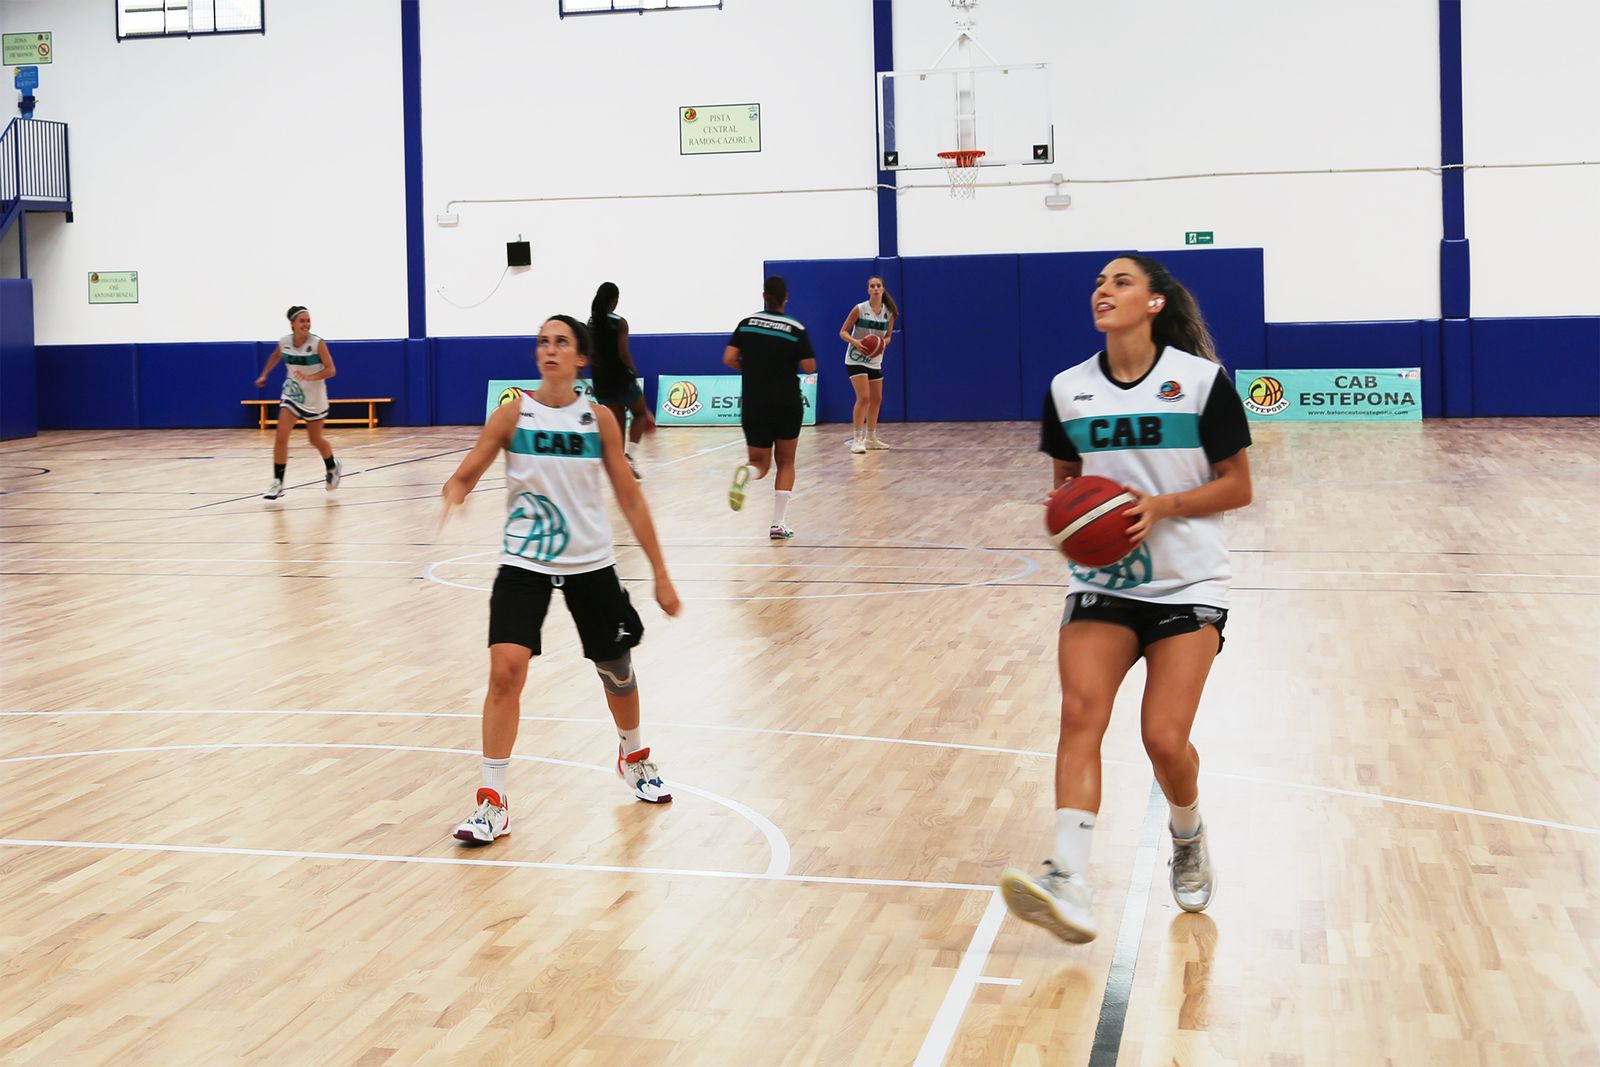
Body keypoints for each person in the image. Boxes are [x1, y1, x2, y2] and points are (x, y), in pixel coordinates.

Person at [999, 254, 1254, 943]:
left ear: (1155, 303)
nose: (1103, 291)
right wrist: (1072, 518)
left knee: (1162, 738)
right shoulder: (1068, 388)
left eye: (1121, 281)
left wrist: (1162, 504)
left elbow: (1238, 485)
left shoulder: (1201, 384)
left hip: (1187, 584)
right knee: (1080, 713)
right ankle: (1068, 878)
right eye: (1098, 283)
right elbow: (1067, 483)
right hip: (1104, 586)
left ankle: (1187, 829)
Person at [441, 314, 682, 845]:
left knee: (616, 671)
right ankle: (492, 802)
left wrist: (661, 573)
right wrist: (455, 489)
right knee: (505, 673)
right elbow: (469, 468)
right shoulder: (511, 414)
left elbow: (630, 497)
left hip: (590, 563)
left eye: (561, 342)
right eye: (543, 341)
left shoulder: (598, 421)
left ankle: (633, 755)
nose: (550, 349)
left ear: (580, 358)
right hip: (523, 563)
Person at [724, 275, 817, 540]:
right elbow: (809, 367)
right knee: (786, 462)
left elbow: (729, 357)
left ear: (764, 296)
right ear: (785, 298)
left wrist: (752, 368)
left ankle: (747, 473)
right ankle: (778, 523)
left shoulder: (747, 323)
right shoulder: (795, 328)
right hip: (787, 402)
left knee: (759, 463)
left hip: (755, 402)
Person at [253, 305, 342, 500]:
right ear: (292, 323)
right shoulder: (285, 342)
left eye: (308, 320)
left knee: (315, 440)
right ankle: (278, 482)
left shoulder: (317, 343)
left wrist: (311, 377)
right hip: (292, 395)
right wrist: (264, 375)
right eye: (302, 321)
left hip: (315, 398)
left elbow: (331, 370)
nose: (306, 324)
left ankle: (332, 466)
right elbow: (275, 356)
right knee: (281, 436)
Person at [588, 282, 655, 479]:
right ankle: (629, 456)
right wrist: (633, 370)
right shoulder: (620, 322)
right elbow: (623, 353)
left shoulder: (591, 321)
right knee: (641, 413)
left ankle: (619, 465)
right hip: (620, 377)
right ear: (615, 300)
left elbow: (592, 353)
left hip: (601, 380)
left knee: (617, 423)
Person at [837, 275, 899, 454]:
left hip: (874, 359)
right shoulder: (859, 309)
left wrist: (883, 343)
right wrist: (856, 342)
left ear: (883, 289)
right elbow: (843, 332)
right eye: (872, 286)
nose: (876, 288)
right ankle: (858, 439)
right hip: (855, 357)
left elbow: (888, 336)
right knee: (863, 397)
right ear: (868, 290)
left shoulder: (889, 312)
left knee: (877, 399)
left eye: (878, 286)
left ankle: (871, 438)